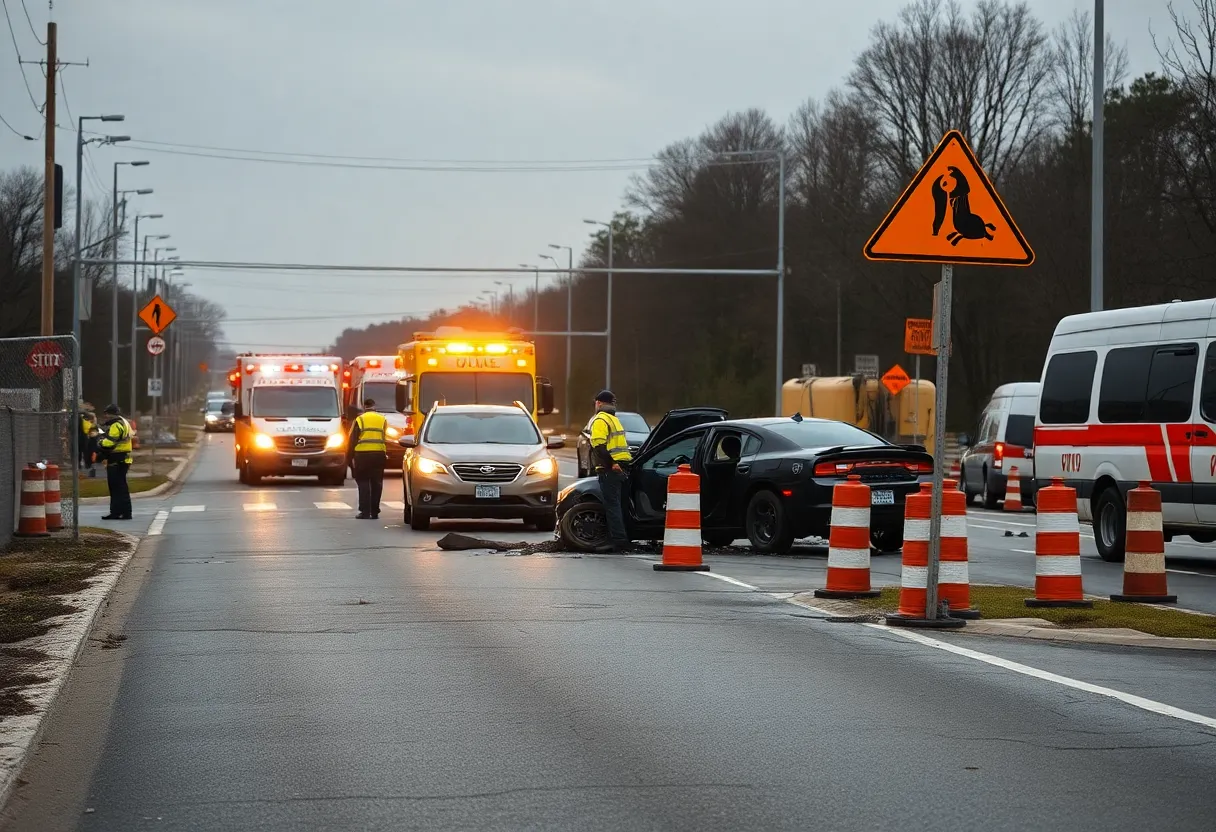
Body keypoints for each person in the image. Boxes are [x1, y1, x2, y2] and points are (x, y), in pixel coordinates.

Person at [588, 389, 633, 552]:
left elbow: (599, 446)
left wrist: (611, 463)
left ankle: (619, 542)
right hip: (623, 464)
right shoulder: (614, 419)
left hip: (611, 467)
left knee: (612, 505)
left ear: (598, 403)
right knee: (620, 504)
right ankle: (625, 538)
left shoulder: (600, 419)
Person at [347, 397, 388, 520]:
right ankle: (375, 511)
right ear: (374, 406)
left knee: (363, 482)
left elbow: (352, 439)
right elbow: (384, 437)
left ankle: (365, 511)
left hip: (362, 455)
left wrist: (349, 457)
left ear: (365, 407)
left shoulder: (360, 419)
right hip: (379, 454)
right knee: (377, 483)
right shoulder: (383, 419)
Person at [97, 404, 133, 521]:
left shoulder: (116, 425)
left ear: (109, 414)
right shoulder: (124, 422)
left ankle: (119, 512)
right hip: (123, 459)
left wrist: (100, 442)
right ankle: (122, 512)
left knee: (116, 487)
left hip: (117, 460)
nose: (105, 417)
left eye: (106, 414)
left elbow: (110, 443)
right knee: (121, 486)